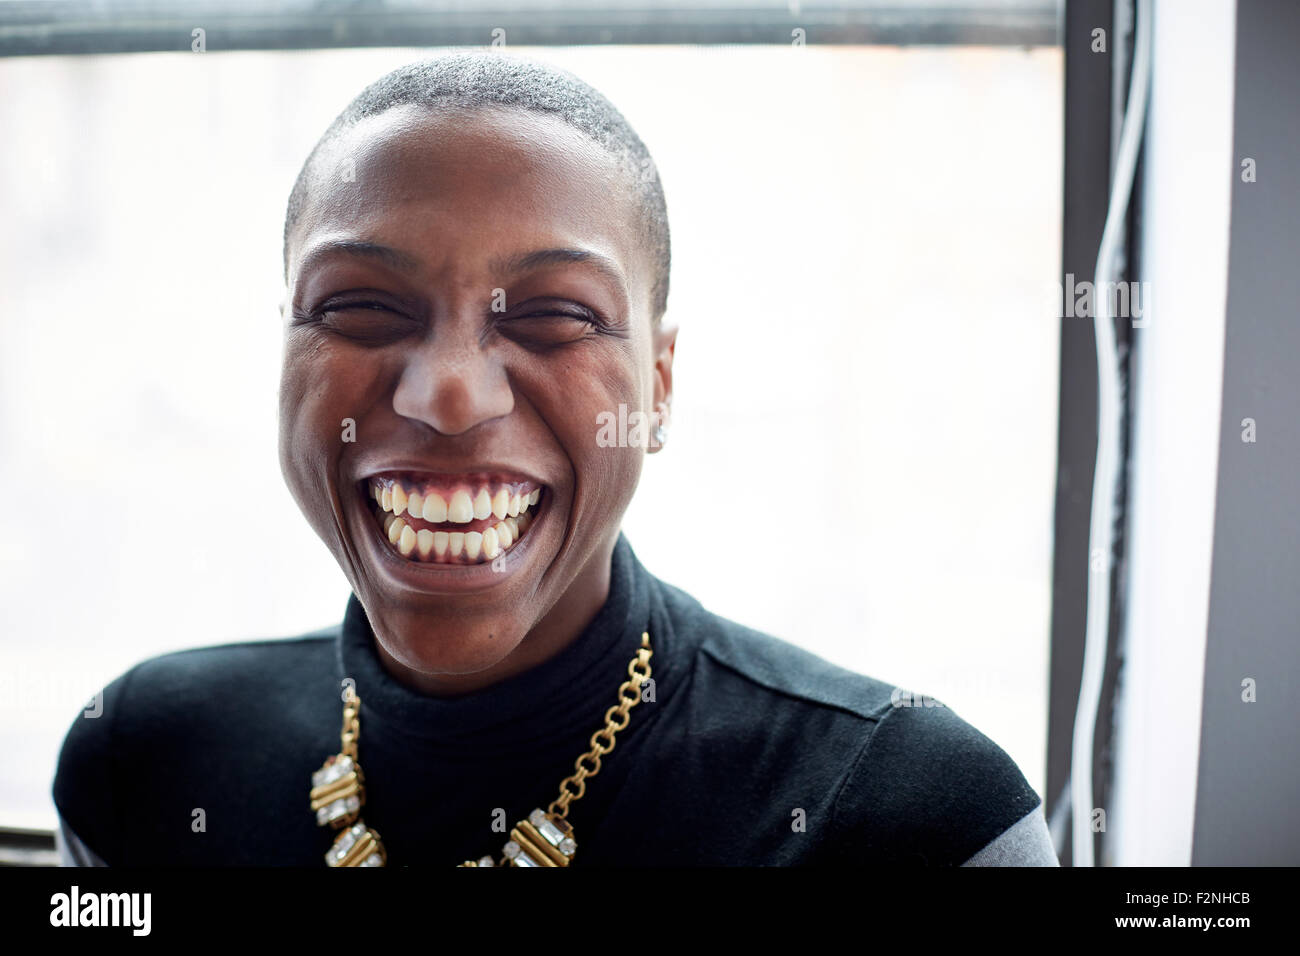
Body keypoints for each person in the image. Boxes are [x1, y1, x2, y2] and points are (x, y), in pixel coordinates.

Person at [53, 51, 1057, 867]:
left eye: (553, 315)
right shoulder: (141, 767)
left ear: (658, 384)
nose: (449, 392)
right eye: (360, 304)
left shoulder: (915, 819)